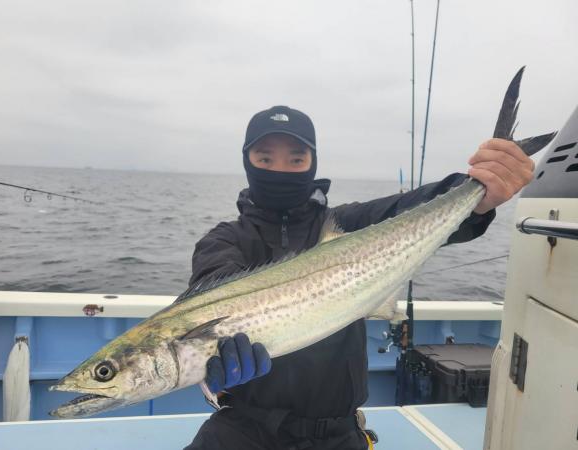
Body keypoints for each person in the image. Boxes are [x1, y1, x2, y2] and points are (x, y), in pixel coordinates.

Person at [184, 105, 535, 450]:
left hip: (338, 433)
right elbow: (213, 290)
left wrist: (476, 193)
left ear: (312, 163)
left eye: (296, 159)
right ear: (247, 162)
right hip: (244, 427)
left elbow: (408, 209)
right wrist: (220, 354)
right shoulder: (224, 240)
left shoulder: (346, 226)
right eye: (265, 158)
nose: (280, 170)